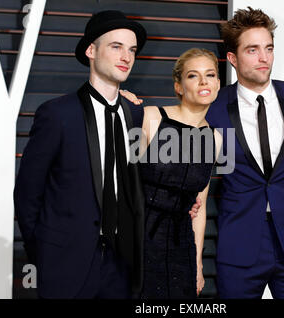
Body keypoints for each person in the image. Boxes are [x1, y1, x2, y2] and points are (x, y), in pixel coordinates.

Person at [14, 10, 199, 299]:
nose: (126, 56)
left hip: (122, 267)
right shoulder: (57, 114)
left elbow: (141, 181)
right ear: (91, 50)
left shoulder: (136, 113)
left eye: (132, 50)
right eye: (116, 46)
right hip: (64, 264)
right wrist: (42, 252)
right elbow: (27, 193)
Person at [205, 7, 284, 298]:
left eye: (268, 48)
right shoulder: (214, 107)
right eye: (253, 50)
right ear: (233, 58)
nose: (264, 58)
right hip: (240, 242)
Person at [138, 48, 222, 298]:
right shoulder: (151, 117)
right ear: (178, 86)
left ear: (218, 83)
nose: (204, 81)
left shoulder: (215, 139)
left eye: (210, 75)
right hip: (140, 237)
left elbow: (201, 206)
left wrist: (197, 263)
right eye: (193, 76)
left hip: (180, 243)